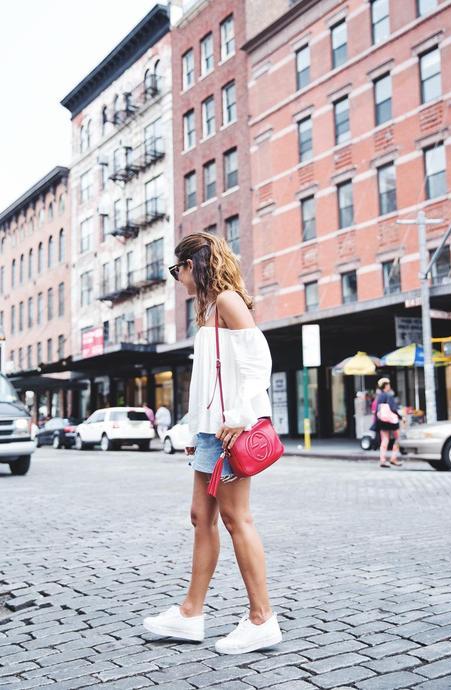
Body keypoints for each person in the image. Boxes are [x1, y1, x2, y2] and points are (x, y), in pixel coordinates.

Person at [143, 232, 282, 655]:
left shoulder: (227, 301)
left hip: (230, 430)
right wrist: (194, 429)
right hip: (210, 431)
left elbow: (259, 360)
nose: (176, 279)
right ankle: (191, 613)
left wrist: (240, 416)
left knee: (237, 519)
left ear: (192, 266)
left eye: (176, 270)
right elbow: (211, 379)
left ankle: (262, 619)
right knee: (200, 516)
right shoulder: (209, 308)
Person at [375, 377, 402, 468]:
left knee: (385, 440)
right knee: (398, 438)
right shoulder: (389, 395)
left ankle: (382, 460)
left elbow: (376, 410)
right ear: (386, 386)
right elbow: (393, 409)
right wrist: (400, 417)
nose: (389, 386)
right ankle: (393, 458)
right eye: (388, 384)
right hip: (392, 421)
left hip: (382, 420)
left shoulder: (379, 396)